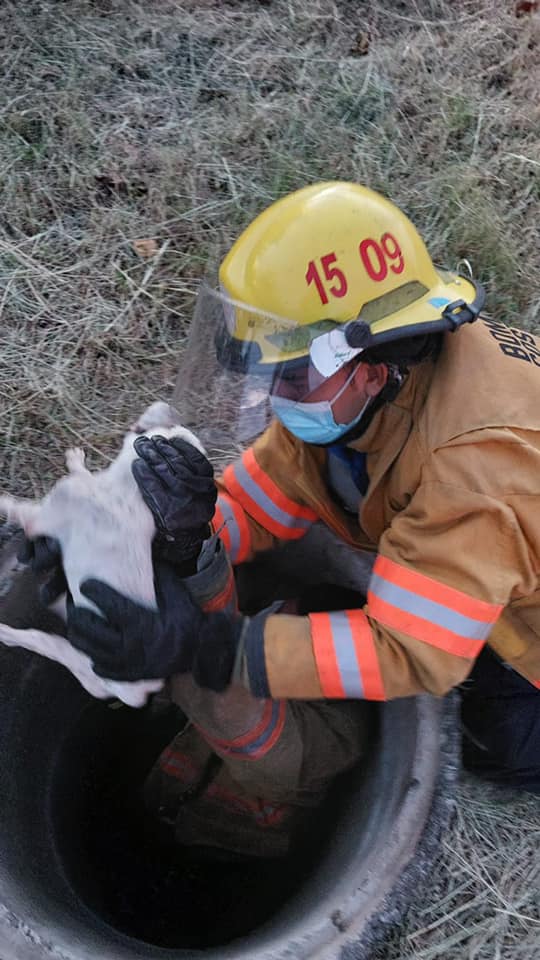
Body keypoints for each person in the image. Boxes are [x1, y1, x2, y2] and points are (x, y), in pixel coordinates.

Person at [32, 182, 540, 857]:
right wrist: (169, 533)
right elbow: (261, 500)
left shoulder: (471, 472)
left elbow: (408, 650)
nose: (269, 399)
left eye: (288, 379)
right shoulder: (368, 391)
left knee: (483, 734)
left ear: (370, 363)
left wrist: (210, 648)